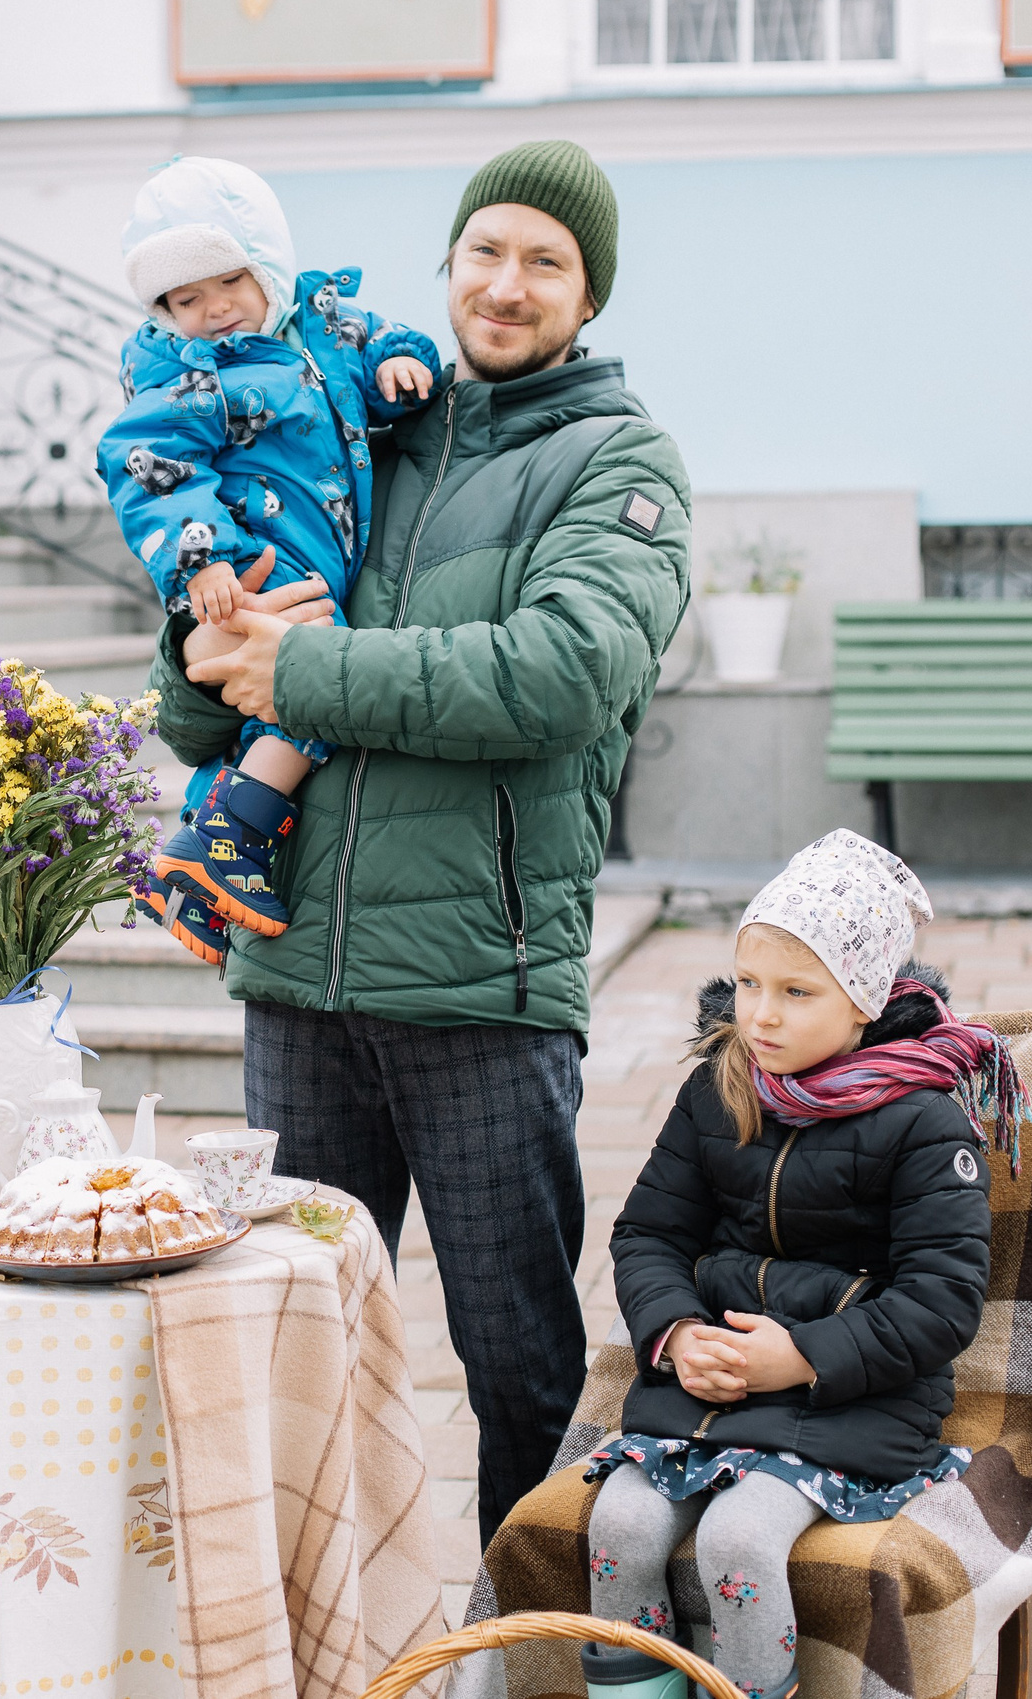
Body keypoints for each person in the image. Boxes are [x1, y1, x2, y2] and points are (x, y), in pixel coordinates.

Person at [150, 140, 693, 1544]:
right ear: (448, 264)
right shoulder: (358, 426)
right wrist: (200, 631)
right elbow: (205, 717)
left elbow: (556, 673)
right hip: (299, 981)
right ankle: (319, 1639)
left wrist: (305, 673)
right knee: (292, 1357)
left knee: (515, 1363)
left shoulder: (618, 461)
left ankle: (526, 1643)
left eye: (545, 262)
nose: (506, 285)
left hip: (478, 986)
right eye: (484, 251)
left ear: (589, 294)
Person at [579, 830, 1011, 1699]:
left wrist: (806, 1355)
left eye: (795, 991)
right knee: (619, 1523)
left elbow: (942, 1299)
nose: (760, 1014)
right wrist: (674, 1331)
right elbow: (648, 1234)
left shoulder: (923, 1120)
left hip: (853, 1399)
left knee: (743, 1538)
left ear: (863, 1001)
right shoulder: (720, 1088)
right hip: (702, 1387)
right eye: (747, 983)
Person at [96, 156, 442, 965]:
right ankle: (218, 845)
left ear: (270, 269)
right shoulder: (191, 373)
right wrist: (203, 562)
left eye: (229, 285)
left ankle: (195, 873)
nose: (214, 311)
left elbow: (384, 350)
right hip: (256, 561)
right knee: (307, 696)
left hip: (319, 549)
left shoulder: (324, 327)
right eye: (187, 300)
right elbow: (149, 464)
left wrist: (402, 368)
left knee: (272, 711)